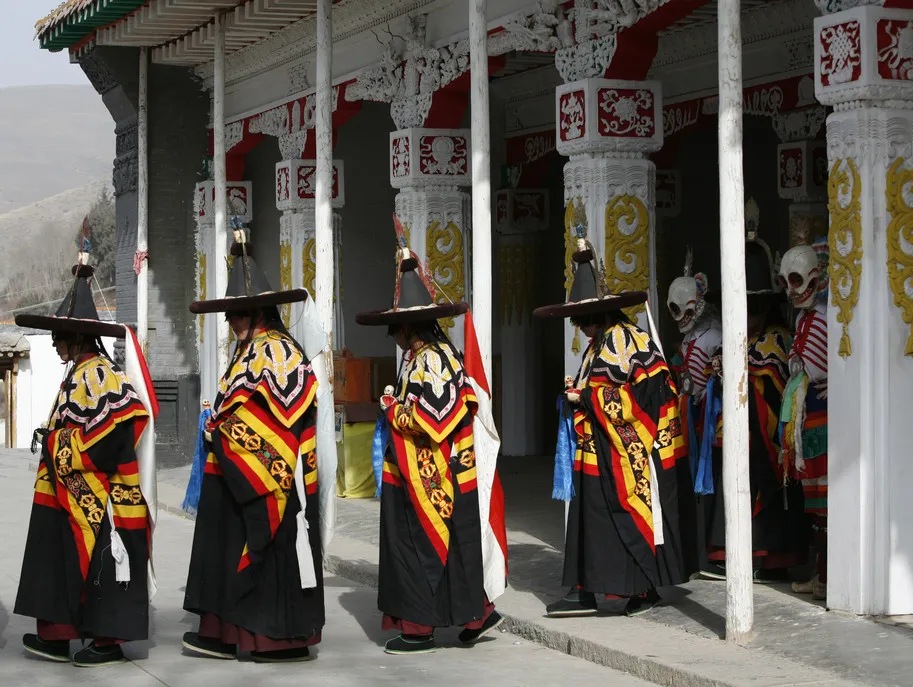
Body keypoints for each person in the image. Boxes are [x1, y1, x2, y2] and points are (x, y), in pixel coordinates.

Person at [356, 237, 507, 656]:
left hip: (434, 474)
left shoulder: (433, 359)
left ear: (411, 327)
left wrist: (393, 409)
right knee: (456, 549)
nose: (396, 336)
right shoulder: (429, 356)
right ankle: (476, 613)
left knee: (422, 549)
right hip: (436, 473)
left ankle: (420, 628)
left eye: (398, 328)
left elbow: (434, 421)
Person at [182, 229, 325, 662]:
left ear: (258, 311)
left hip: (273, 477)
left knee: (270, 556)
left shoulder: (277, 352)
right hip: (238, 471)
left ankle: (278, 640)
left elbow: (278, 418)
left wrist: (224, 433)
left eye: (238, 313)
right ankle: (228, 632)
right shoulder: (249, 351)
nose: (232, 321)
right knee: (223, 548)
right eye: (229, 314)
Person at [534, 233, 693, 618]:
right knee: (592, 519)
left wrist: (586, 398)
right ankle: (588, 586)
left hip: (629, 452)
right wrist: (580, 392)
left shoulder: (630, 340)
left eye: (581, 320)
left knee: (622, 517)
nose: (578, 328)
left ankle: (639, 589)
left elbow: (649, 399)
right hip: (597, 449)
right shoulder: (599, 343)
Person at [14, 248, 158, 667]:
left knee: (103, 567)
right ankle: (58, 636)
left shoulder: (99, 374)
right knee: (55, 557)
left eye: (61, 336)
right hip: (67, 487)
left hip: (103, 493)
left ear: (78, 337)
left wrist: (58, 444)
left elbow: (117, 432)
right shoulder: (77, 372)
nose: (57, 343)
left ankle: (107, 641)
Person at [698, 206, 808, 582]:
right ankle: (726, 551)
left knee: (759, 493)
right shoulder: (736, 339)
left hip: (762, 439)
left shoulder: (777, 338)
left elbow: (774, 384)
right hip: (727, 433)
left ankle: (768, 557)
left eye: (748, 308)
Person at [778, 231, 830, 599]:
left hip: (828, 420)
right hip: (806, 420)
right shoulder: (802, 321)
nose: (791, 290)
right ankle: (821, 575)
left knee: (829, 505)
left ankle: (830, 578)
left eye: (797, 280)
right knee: (815, 507)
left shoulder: (834, 318)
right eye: (785, 282)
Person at [666, 248, 722, 577]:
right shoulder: (691, 339)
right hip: (687, 416)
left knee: (706, 480)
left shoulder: (713, 336)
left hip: (708, 418)